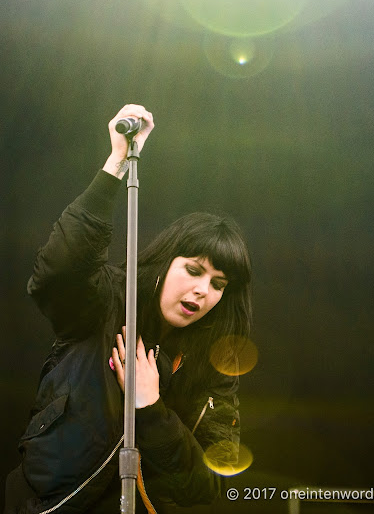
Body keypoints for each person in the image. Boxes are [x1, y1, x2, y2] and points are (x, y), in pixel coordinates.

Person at [4, 104, 252, 514]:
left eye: (218, 284)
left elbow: (208, 485)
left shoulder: (215, 365)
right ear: (169, 259)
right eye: (193, 270)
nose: (202, 290)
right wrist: (116, 163)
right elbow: (56, 272)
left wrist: (151, 409)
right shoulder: (109, 299)